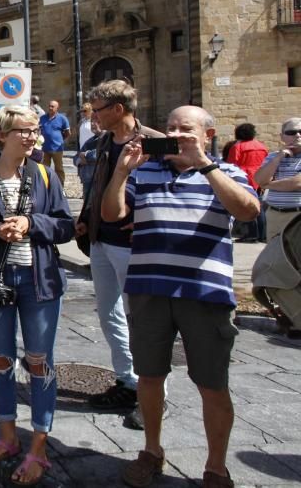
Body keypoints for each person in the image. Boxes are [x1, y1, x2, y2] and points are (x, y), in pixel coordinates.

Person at [101, 106, 259, 488]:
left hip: (204, 294)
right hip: (148, 291)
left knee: (212, 383)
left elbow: (249, 211)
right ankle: (152, 451)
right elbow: (111, 215)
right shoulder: (146, 171)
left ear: (208, 134)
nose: (174, 133)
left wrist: (204, 164)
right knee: (149, 378)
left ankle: (216, 468)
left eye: (184, 128)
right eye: (169, 128)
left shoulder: (227, 173)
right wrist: (122, 169)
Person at [0, 105, 74, 485]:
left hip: (39, 281)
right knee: (1, 360)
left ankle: (39, 444)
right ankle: (8, 437)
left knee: (39, 362)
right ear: (2, 135)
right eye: (24, 130)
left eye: (35, 129)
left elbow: (66, 226)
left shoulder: (45, 175)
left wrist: (31, 223)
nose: (32, 135)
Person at [76, 80, 164, 418]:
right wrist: (85, 217)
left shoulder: (154, 142)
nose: (93, 117)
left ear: (117, 109)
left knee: (142, 320)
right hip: (101, 239)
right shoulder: (102, 142)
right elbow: (95, 186)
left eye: (98, 110)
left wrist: (146, 216)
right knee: (109, 314)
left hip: (134, 245)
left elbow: (172, 188)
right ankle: (128, 382)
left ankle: (153, 396)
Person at [254, 117, 301, 242]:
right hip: (275, 215)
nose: (297, 135)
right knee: (274, 257)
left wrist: (267, 184)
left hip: (298, 215)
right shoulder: (273, 156)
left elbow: (296, 183)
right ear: (282, 136)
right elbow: (259, 180)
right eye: (291, 132)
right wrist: (279, 157)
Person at [225, 123, 268, 243]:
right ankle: (262, 235)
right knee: (259, 207)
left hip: (245, 177)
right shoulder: (261, 146)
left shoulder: (238, 147)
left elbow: (231, 164)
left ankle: (251, 234)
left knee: (248, 206)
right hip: (259, 177)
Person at [38, 100, 70, 183]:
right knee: (44, 168)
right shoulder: (42, 118)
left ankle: (60, 186)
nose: (50, 108)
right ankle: (45, 185)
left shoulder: (62, 118)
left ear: (57, 108)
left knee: (59, 169)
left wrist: (59, 140)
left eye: (52, 106)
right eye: (49, 106)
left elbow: (68, 133)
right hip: (44, 148)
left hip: (57, 148)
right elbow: (38, 130)